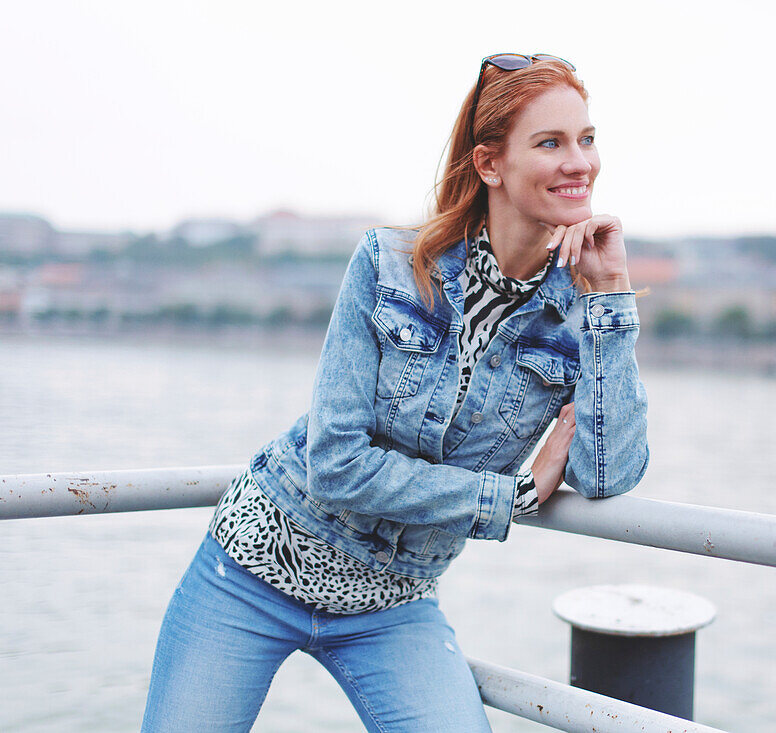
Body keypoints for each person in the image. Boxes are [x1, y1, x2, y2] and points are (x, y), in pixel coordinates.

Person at [141, 53, 649, 732]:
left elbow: (606, 472)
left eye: (586, 139)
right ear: (490, 164)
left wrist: (612, 295)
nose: (579, 162)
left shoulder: (577, 313)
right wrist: (510, 496)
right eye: (550, 142)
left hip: (393, 603)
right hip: (254, 570)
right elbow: (338, 464)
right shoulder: (389, 266)